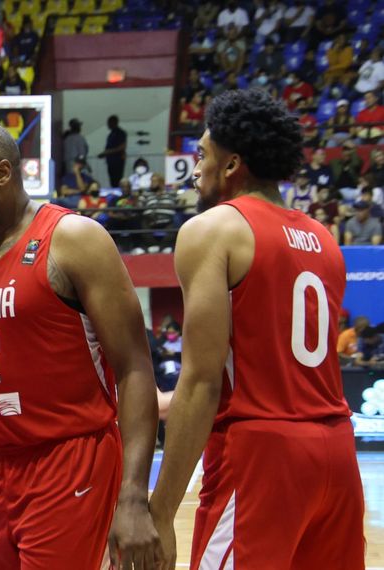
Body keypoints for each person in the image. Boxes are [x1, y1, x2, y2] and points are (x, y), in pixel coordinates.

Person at [0, 121, 160, 568]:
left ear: (2, 173)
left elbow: (134, 369)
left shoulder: (74, 240)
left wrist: (133, 495)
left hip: (68, 463)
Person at [149, 89, 365, 570]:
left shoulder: (214, 229)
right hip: (335, 450)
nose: (197, 166)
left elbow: (202, 383)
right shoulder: (324, 238)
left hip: (262, 456)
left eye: (202, 154)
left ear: (231, 165)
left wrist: (160, 511)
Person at [98, 115, 127, 187]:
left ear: (114, 122)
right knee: (113, 181)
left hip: (117, 161)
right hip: (111, 161)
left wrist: (107, 152)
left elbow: (122, 147)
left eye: (109, 122)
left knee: (117, 180)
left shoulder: (120, 133)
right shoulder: (111, 134)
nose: (108, 124)